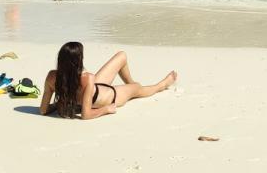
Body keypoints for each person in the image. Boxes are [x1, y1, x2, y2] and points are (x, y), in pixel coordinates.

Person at [40, 41, 176, 119]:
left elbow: (43, 110)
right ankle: (162, 85)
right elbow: (86, 115)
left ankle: (131, 84)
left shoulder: (51, 76)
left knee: (121, 56)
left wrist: (59, 105)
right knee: (139, 88)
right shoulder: (87, 78)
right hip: (110, 96)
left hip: (94, 90)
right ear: (78, 61)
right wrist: (106, 109)